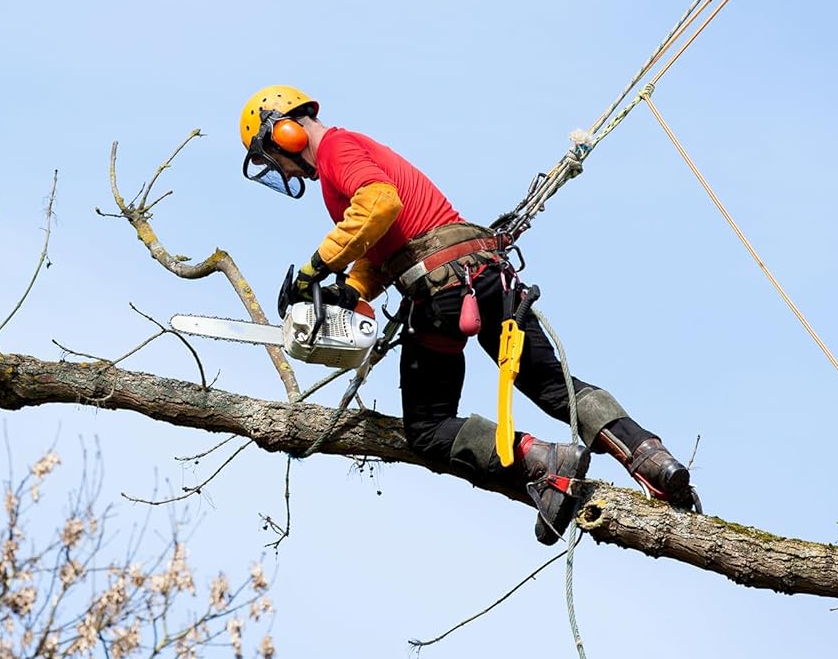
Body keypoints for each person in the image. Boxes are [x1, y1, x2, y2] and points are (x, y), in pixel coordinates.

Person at [239, 85, 698, 544]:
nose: (278, 168)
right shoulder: (352, 151)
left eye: (270, 157)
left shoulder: (337, 148)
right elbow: (382, 243)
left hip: (444, 293)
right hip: (485, 278)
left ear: (285, 132)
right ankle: (651, 457)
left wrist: (315, 269)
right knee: (550, 383)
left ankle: (542, 462)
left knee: (429, 427)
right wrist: (352, 289)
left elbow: (380, 204)